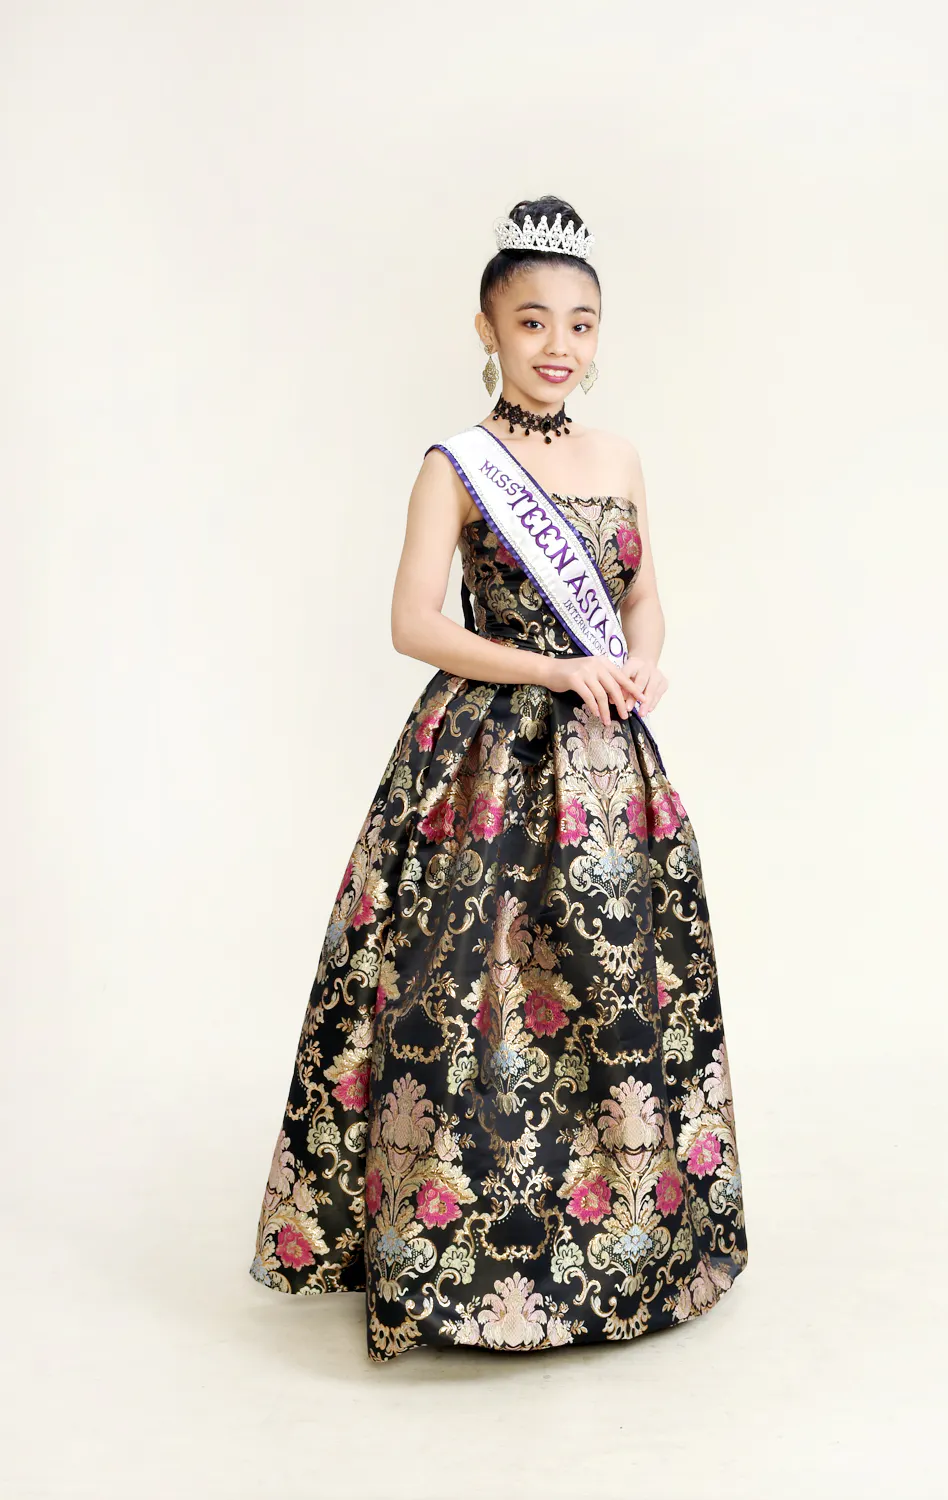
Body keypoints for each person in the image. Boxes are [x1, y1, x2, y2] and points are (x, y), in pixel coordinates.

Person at [249, 194, 749, 1364]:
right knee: (469, 998)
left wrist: (641, 660)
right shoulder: (455, 465)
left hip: (607, 762)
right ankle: (457, 1260)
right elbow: (414, 622)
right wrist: (554, 667)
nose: (557, 344)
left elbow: (642, 593)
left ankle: (624, 1248)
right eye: (531, 321)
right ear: (487, 329)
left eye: (579, 323)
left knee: (615, 997)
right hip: (483, 758)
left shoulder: (619, 457)